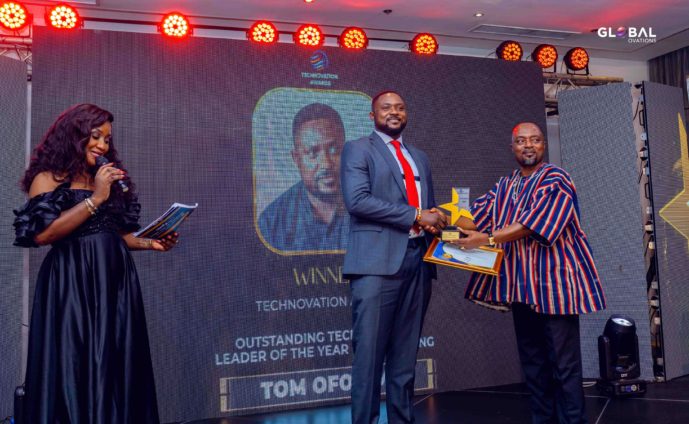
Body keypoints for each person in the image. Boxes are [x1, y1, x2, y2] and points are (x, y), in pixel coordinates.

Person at [13, 104, 179, 424]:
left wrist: (151, 242)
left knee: (116, 361)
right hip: (71, 283)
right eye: (95, 136)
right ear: (74, 136)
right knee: (75, 361)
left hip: (114, 282)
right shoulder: (48, 179)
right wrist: (95, 199)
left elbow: (112, 234)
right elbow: (42, 235)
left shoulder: (104, 180)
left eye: (107, 139)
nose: (102, 145)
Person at [452, 122, 606, 424]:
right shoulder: (505, 184)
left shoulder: (556, 179)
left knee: (564, 366)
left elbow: (531, 225)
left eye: (535, 140)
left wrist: (487, 238)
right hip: (521, 288)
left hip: (556, 288)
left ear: (543, 146)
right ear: (512, 148)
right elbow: (473, 217)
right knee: (534, 365)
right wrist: (440, 217)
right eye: (521, 141)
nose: (528, 145)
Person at [340, 91, 448, 424]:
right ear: (372, 116)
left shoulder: (420, 157)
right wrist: (416, 215)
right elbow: (357, 201)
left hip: (419, 261)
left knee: (405, 358)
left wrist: (442, 222)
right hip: (376, 266)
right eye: (386, 108)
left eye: (400, 107)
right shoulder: (358, 149)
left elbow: (429, 210)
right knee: (369, 358)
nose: (394, 112)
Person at [258, 103, 349, 252]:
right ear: (296, 159)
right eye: (313, 153)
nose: (326, 164)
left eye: (334, 150)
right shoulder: (270, 224)